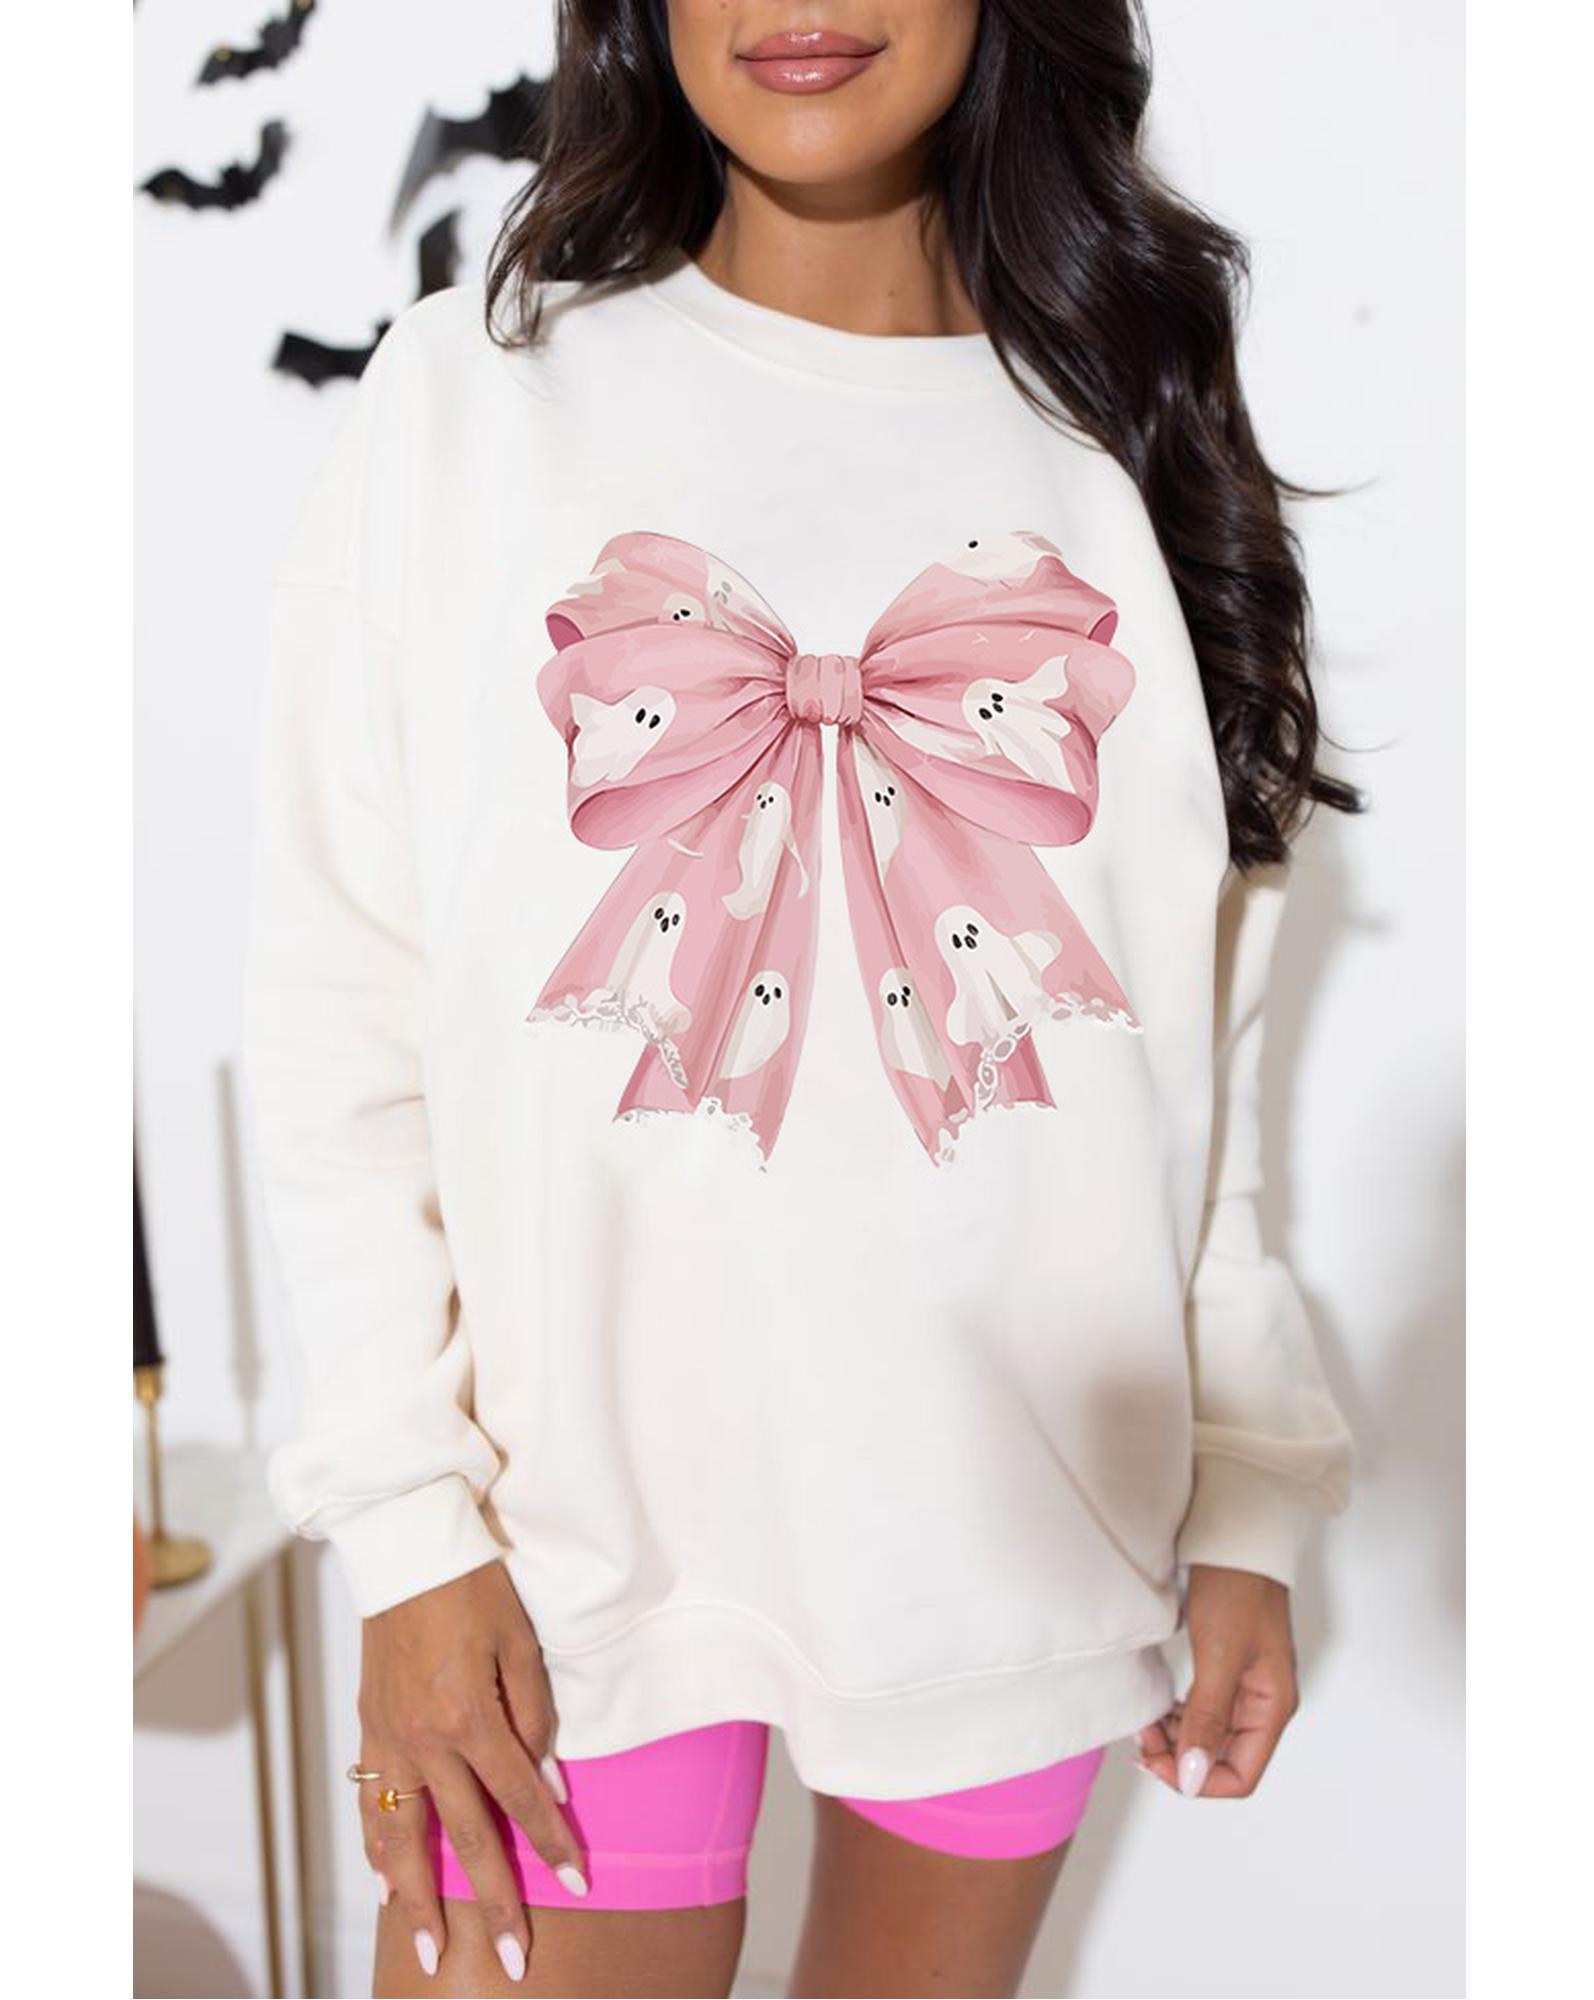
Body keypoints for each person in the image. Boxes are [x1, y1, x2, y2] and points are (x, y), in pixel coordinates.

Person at [241, 5, 1360, 1995]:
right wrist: (407, 1531)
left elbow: (1199, 1059)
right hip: (565, 1560)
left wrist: (1254, 1484)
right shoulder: (472, 405)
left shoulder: (1136, 444)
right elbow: (340, 1009)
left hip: (1020, 1535)